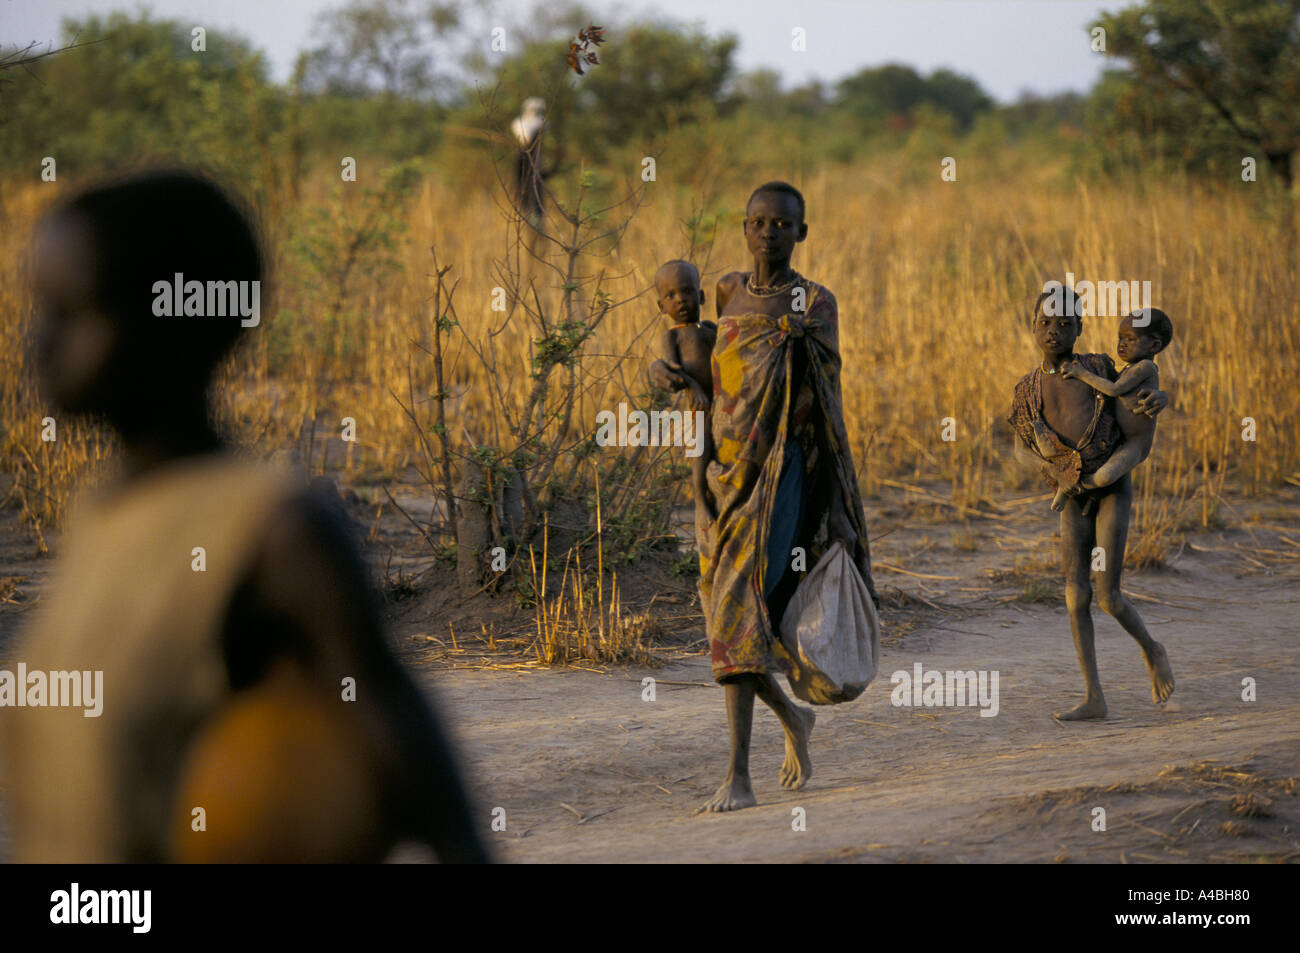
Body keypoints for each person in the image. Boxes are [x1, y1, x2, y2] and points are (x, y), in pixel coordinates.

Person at [1, 168, 489, 862]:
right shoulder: (98, 515)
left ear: (168, 323)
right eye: (38, 308)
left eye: (71, 312)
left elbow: (400, 736)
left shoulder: (269, 530)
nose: (38, 343)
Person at [696, 181, 877, 813]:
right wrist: (696, 454)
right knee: (727, 616)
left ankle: (738, 776)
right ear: (744, 228)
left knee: (739, 611)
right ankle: (794, 722)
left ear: (802, 232)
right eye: (759, 222)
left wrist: (834, 513)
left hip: (781, 479)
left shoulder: (816, 302)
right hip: (722, 475)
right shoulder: (724, 291)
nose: (769, 232)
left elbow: (828, 401)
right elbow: (714, 385)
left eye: (783, 224)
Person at [1008, 286, 1175, 720]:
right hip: (1072, 493)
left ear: (1080, 328)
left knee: (1108, 595)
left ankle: (1152, 648)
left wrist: (1161, 398)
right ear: (1032, 327)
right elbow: (1019, 449)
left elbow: (1142, 385)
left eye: (1065, 324)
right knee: (1073, 595)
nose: (1054, 332)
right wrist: (1053, 468)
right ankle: (1093, 695)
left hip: (1110, 491)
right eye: (1045, 323)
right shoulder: (1028, 390)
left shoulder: (1099, 368)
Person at [1052, 308, 1174, 508]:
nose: (1122, 344)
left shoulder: (1146, 368)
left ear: (1154, 345)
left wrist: (1080, 373)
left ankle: (1073, 487)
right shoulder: (1129, 369)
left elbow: (1113, 389)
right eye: (1120, 338)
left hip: (1135, 444)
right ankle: (1079, 490)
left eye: (1130, 339)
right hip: (1115, 439)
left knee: (1105, 476)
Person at [647, 259, 717, 520]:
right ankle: (699, 500)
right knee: (700, 449)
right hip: (698, 406)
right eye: (671, 295)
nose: (681, 300)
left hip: (721, 401)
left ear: (701, 295)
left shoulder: (710, 330)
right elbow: (674, 369)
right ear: (662, 306)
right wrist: (694, 386)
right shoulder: (672, 337)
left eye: (688, 292)